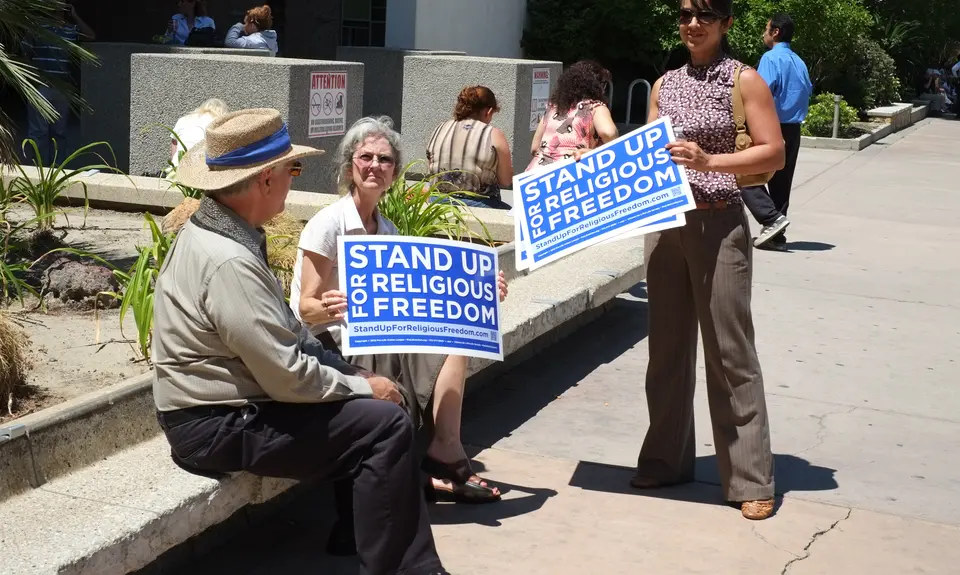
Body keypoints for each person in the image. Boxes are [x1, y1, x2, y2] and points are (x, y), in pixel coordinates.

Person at [151, 108, 448, 575]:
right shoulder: (228, 259)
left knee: (381, 407)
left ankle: (377, 541)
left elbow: (287, 334)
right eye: (292, 169)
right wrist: (362, 387)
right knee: (385, 425)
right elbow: (287, 376)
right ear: (265, 180)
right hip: (215, 424)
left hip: (232, 407)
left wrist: (355, 375)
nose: (295, 179)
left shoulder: (226, 233)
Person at [289, 116, 509, 510]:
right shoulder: (328, 222)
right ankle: (432, 470)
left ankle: (446, 450)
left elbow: (425, 295)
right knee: (395, 365)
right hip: (332, 343)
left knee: (453, 338)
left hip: (378, 336)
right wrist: (329, 305)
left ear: (394, 172)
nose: (375, 165)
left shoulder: (387, 230)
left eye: (385, 159)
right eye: (366, 157)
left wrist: (481, 291)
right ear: (349, 166)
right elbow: (304, 308)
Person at [631, 0, 784, 521]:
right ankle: (665, 459)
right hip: (666, 227)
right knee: (667, 351)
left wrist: (710, 160)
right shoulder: (664, 84)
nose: (692, 23)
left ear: (726, 23)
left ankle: (749, 476)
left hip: (719, 224)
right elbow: (650, 152)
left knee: (729, 352)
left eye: (704, 14)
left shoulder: (745, 80)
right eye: (684, 13)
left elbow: (773, 152)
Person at [741, 12, 813, 251]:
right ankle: (776, 235)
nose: (763, 33)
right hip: (794, 128)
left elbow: (759, 94)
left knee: (744, 172)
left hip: (771, 126)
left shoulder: (771, 59)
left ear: (775, 32)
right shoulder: (799, 61)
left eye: (766, 28)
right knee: (782, 182)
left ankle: (771, 218)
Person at [20, 1, 95, 166]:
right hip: (41, 87)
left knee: (59, 132)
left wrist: (75, 16)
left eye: (62, 5)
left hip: (63, 87)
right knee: (38, 132)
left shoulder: (69, 29)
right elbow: (24, 54)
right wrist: (33, 78)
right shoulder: (38, 28)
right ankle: (37, 170)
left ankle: (58, 169)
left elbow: (91, 36)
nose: (58, 8)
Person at [425, 86, 513, 210]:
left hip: (438, 201)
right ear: (488, 111)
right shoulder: (493, 134)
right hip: (479, 204)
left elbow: (431, 167)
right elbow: (506, 180)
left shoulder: (439, 128)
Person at [527, 60, 619, 171]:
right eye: (603, 84)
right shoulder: (595, 107)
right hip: (569, 172)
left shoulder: (553, 107)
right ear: (596, 86)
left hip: (535, 174)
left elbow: (534, 148)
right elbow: (609, 133)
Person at [169, 98, 229, 169]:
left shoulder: (183, 120)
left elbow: (174, 148)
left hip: (177, 167)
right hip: (201, 169)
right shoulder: (218, 122)